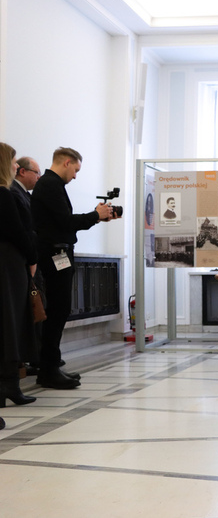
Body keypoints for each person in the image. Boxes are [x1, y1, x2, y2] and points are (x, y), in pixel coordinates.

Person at [31, 147, 117, 389]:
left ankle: (51, 366)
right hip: (53, 255)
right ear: (66, 162)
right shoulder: (49, 184)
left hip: (58, 253)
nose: (76, 176)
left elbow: (66, 225)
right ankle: (48, 370)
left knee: (60, 309)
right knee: (57, 310)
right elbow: (66, 223)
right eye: (76, 170)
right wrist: (94, 215)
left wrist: (97, 216)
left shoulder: (53, 185)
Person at [0, 142, 37, 408]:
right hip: (10, 263)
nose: (17, 165)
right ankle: (10, 384)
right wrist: (33, 258)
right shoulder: (4, 194)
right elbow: (17, 232)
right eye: (13, 161)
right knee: (12, 322)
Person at [12, 156, 44, 375]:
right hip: (20, 262)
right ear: (22, 171)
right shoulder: (13, 193)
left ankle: (31, 358)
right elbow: (22, 231)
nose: (39, 177)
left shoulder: (24, 195)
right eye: (36, 172)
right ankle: (21, 362)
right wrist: (32, 259)